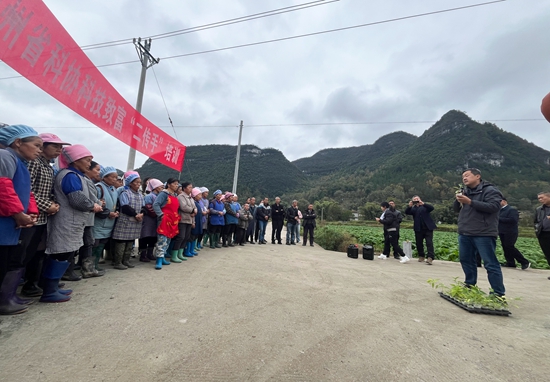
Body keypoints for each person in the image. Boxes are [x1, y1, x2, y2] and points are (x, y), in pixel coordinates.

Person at [45, 144, 101, 303]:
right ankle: (49, 290)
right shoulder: (70, 176)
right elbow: (76, 199)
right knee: (60, 254)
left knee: (66, 253)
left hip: (73, 222)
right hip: (66, 222)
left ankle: (53, 287)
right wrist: (92, 206)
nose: (89, 163)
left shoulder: (77, 175)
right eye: (87, 160)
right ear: (76, 160)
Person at [20, 133, 68, 297]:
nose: (59, 150)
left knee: (37, 252)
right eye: (55, 146)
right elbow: (27, 190)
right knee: (24, 254)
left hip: (43, 217)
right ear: (43, 146)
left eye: (61, 148)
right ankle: (20, 287)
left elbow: (48, 191)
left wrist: (54, 203)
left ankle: (33, 283)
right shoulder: (34, 163)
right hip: (30, 217)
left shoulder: (48, 166)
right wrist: (48, 205)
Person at [0, 125, 41, 315]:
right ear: (18, 142)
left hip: (13, 224)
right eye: (36, 145)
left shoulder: (21, 163)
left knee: (9, 261)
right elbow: (3, 187)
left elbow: (27, 191)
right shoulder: (5, 156)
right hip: (5, 222)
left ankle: (7, 297)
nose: (39, 150)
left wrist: (31, 211)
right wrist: (17, 213)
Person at [454, 168, 505, 297]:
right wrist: (458, 199)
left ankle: (498, 293)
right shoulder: (465, 191)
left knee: (490, 263)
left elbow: (494, 207)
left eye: (467, 175)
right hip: (465, 231)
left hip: (484, 233)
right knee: (466, 260)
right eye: (463, 176)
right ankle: (470, 285)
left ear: (477, 176)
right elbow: (455, 209)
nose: (464, 178)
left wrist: (470, 202)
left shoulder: (490, 190)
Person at [111, 173, 144, 270]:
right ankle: (117, 262)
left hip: (135, 221)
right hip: (125, 221)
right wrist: (135, 214)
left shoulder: (140, 194)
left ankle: (126, 260)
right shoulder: (125, 193)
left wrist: (142, 213)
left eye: (139, 183)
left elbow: (144, 207)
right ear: (130, 183)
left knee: (130, 241)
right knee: (121, 241)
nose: (138, 184)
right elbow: (125, 207)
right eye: (136, 182)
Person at [92, 166, 120, 271]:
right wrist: (108, 213)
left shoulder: (113, 189)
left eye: (116, 177)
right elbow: (94, 204)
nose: (115, 179)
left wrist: (116, 212)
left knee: (102, 244)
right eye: (113, 177)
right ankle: (90, 266)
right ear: (104, 177)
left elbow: (116, 203)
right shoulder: (98, 188)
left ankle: (95, 265)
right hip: (98, 222)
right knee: (94, 244)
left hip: (109, 223)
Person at [152, 178, 180, 269]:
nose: (176, 186)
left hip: (172, 220)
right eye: (175, 184)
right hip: (164, 220)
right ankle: (159, 260)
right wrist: (161, 215)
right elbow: (156, 204)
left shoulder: (175, 195)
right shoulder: (163, 194)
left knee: (168, 240)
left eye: (177, 184)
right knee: (162, 239)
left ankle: (163, 257)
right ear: (169, 184)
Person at [499, 198, 530, 270]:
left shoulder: (511, 210)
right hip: (502, 231)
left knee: (509, 246)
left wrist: (499, 218)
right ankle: (510, 262)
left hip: (510, 231)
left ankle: (524, 261)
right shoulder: (500, 210)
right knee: (505, 247)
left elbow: (513, 220)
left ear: (504, 201)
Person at [405, 195, 437, 265]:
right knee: (419, 243)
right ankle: (421, 255)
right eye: (414, 199)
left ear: (420, 199)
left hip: (428, 228)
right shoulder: (413, 209)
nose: (416, 200)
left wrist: (423, 203)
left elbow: (432, 208)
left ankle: (430, 257)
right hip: (418, 228)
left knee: (429, 243)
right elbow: (407, 212)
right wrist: (409, 206)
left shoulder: (425, 206)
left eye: (417, 199)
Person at [138, 178, 163, 262]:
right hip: (148, 219)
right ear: (155, 187)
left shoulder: (158, 196)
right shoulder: (149, 196)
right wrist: (159, 213)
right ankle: (143, 255)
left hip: (155, 219)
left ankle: (150, 253)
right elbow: (148, 208)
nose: (162, 188)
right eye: (161, 187)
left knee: (153, 237)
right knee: (146, 236)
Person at [172, 182, 197, 260]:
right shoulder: (181, 196)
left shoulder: (190, 198)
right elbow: (183, 207)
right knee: (181, 237)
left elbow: (195, 207)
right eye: (189, 187)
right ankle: (174, 255)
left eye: (191, 187)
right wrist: (193, 210)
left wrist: (193, 217)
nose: (191, 189)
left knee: (186, 237)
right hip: (182, 220)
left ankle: (180, 253)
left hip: (189, 220)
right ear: (184, 188)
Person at [534, 191, 550, 279]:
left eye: (542, 198)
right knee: (548, 254)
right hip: (543, 234)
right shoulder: (539, 209)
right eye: (539, 198)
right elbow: (536, 221)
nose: (540, 200)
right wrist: (537, 229)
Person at [190, 187, 204, 252]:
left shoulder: (197, 203)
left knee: (195, 236)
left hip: (198, 221)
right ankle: (188, 250)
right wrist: (193, 222)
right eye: (199, 195)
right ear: (195, 195)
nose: (201, 196)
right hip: (194, 221)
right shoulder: (193, 202)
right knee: (191, 236)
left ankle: (192, 249)